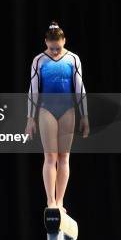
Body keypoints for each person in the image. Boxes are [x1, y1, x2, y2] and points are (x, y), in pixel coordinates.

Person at [25, 21, 90, 212]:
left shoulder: (73, 59)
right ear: (46, 42)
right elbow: (33, 91)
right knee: (50, 156)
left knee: (64, 157)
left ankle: (60, 201)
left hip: (68, 110)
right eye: (52, 48)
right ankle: (50, 201)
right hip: (46, 109)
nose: (54, 52)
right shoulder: (39, 60)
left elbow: (80, 89)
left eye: (58, 48)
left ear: (64, 41)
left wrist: (85, 116)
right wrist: (30, 119)